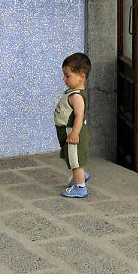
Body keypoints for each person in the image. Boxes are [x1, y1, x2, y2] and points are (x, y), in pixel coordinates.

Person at [54, 52, 92, 199]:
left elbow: (79, 116)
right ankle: (81, 175)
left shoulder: (76, 96)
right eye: (64, 75)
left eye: (67, 76)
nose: (64, 79)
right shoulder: (72, 92)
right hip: (67, 131)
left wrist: (75, 133)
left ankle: (80, 187)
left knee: (75, 161)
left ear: (81, 76)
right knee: (70, 157)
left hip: (72, 132)